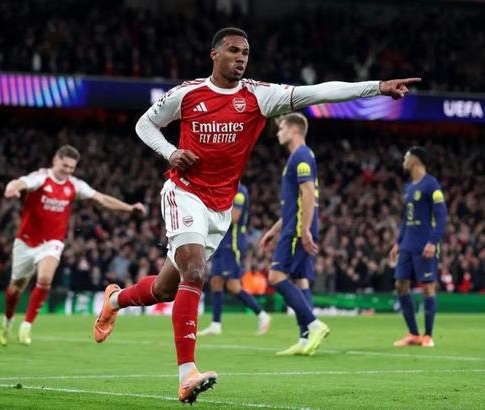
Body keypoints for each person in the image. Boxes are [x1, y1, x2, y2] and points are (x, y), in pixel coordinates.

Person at [92, 26, 419, 404]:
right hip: (184, 193)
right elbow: (144, 124)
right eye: (233, 50)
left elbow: (319, 92)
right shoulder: (186, 94)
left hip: (220, 209)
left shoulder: (259, 96)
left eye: (245, 52)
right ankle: (187, 374)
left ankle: (114, 301)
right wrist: (170, 152)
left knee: (166, 288)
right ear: (215, 54)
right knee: (195, 272)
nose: (241, 58)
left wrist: (377, 87)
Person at [0, 145, 145, 346]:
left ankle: (26, 326)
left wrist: (129, 208)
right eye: (65, 166)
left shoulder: (74, 185)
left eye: (72, 167)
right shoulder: (41, 178)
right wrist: (12, 188)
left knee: (45, 278)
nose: (68, 170)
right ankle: (7, 321)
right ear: (55, 160)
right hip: (25, 242)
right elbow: (20, 182)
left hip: (52, 242)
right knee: (16, 287)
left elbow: (101, 199)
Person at [260, 113, 321, 356]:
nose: (278, 132)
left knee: (276, 276)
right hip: (293, 225)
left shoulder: (301, 156)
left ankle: (314, 325)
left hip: (296, 229)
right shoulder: (299, 157)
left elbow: (309, 194)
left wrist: (304, 229)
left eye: (282, 128)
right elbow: (294, 204)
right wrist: (273, 230)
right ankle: (305, 340)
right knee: (299, 279)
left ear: (294, 130)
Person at [389, 147, 447, 347]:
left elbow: (442, 216)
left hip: (424, 244)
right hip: (407, 244)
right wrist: (398, 243)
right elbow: (406, 219)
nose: (403, 160)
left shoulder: (432, 185)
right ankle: (413, 334)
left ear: (414, 160)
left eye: (406, 157)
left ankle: (428, 335)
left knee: (428, 287)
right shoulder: (409, 187)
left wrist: (433, 241)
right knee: (400, 285)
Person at [197, 182, 271, 336]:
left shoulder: (239, 192)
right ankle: (216, 324)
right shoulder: (224, 189)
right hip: (221, 241)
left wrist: (212, 214)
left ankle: (262, 315)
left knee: (233, 286)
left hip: (233, 243)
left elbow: (235, 217)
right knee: (216, 282)